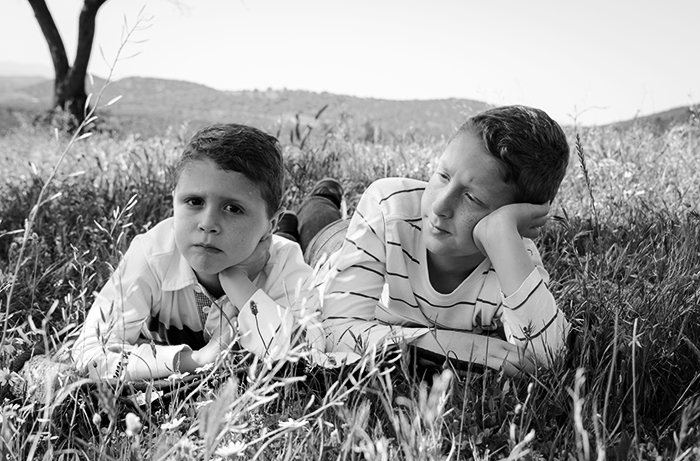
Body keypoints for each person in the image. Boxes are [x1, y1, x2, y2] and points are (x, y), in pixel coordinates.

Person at [318, 105, 571, 376]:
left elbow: (548, 359)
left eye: (472, 198)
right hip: (336, 250)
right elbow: (335, 332)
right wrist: (449, 345)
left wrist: (501, 231)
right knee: (318, 223)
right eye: (443, 176)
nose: (440, 205)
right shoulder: (387, 205)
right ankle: (322, 198)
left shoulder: (513, 258)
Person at [72, 123, 319, 381]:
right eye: (194, 202)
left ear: (270, 224)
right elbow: (89, 352)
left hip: (274, 245)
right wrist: (194, 360)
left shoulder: (285, 263)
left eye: (233, 209)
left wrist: (238, 283)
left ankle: (319, 202)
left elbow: (306, 355)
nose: (207, 224)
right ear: (174, 200)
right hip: (257, 241)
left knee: (317, 231)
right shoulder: (152, 254)